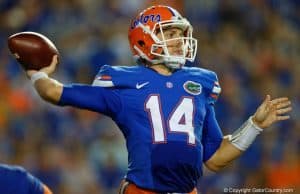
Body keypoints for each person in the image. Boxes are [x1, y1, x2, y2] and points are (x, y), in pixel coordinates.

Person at [24, 5, 292, 194]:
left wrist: (254, 125)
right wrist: (38, 74)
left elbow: (215, 159)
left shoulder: (200, 82)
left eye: (180, 34)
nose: (179, 40)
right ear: (143, 39)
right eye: (170, 33)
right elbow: (55, 93)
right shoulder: (123, 82)